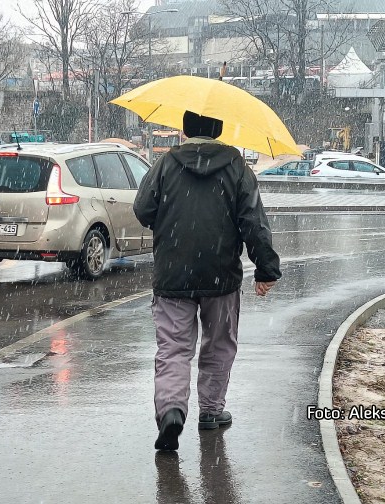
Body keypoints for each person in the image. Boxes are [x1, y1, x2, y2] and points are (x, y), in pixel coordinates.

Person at [134, 110, 282, 451]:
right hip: (221, 274)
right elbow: (253, 222)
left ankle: (172, 410)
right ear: (219, 129)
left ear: (186, 129)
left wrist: (170, 219)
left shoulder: (166, 164)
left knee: (173, 347)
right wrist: (266, 268)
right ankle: (211, 411)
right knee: (219, 343)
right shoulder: (237, 167)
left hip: (173, 273)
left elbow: (143, 210)